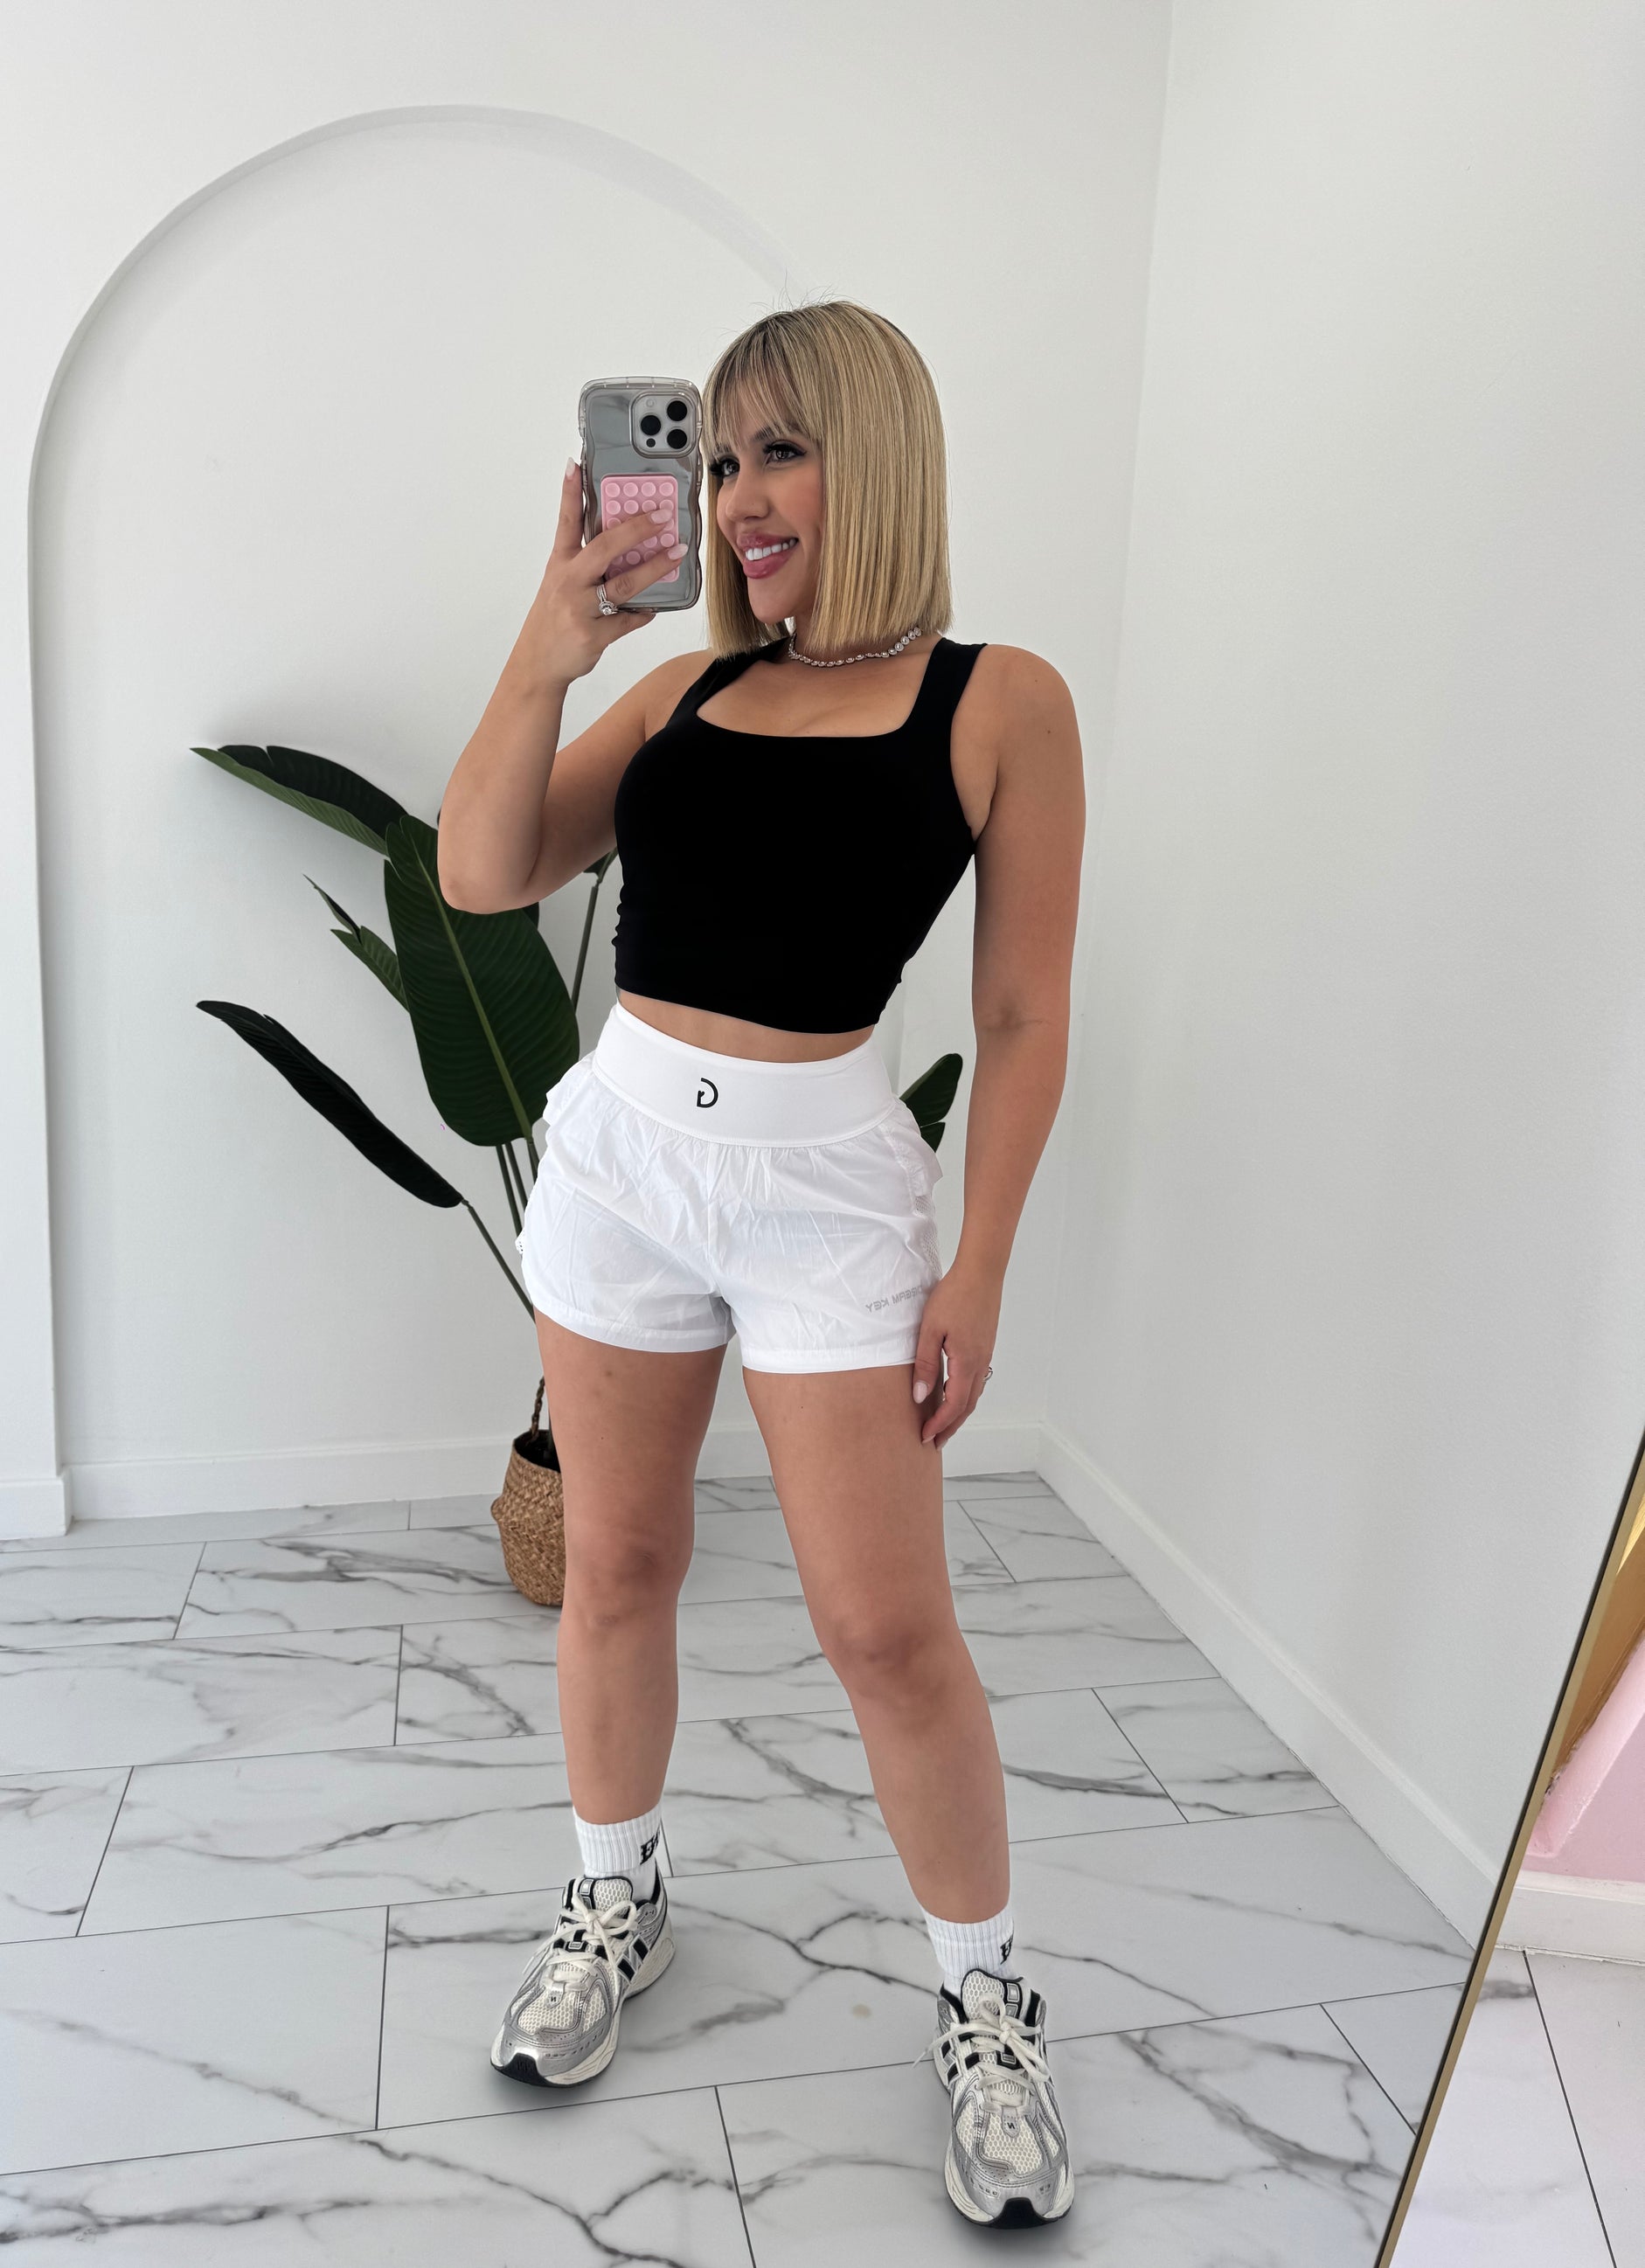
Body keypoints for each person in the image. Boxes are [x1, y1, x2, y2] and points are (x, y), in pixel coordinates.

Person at [437, 301, 1085, 2229]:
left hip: (828, 1195)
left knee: (886, 1633)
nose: (736, 498)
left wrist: (982, 1264)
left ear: (874, 455)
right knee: (617, 1565)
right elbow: (482, 871)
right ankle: (614, 1894)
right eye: (717, 459)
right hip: (624, 1162)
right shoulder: (683, 693)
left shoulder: (999, 700)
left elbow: (1023, 1014)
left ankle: (985, 1999)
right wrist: (551, 643)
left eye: (778, 449)